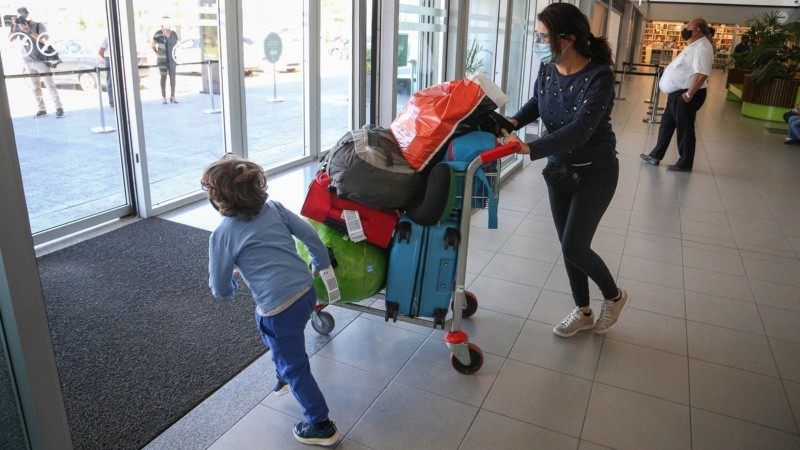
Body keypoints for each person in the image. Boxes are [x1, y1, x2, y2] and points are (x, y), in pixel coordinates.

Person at [503, 3, 630, 338]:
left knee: (575, 245)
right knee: (567, 244)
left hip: (597, 171)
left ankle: (614, 297)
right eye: (537, 34)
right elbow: (537, 103)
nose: (538, 41)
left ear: (568, 39)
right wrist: (513, 121)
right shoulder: (548, 69)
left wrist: (529, 147)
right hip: (560, 170)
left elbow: (581, 129)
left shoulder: (599, 77)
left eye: (543, 36)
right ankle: (584, 311)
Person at [202, 153, 340, 447]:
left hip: (278, 308)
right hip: (306, 292)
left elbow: (218, 284)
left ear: (218, 201)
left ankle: (320, 424)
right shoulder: (273, 208)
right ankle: (282, 369)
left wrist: (230, 290)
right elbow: (310, 237)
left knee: (295, 364)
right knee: (268, 328)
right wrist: (320, 263)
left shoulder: (222, 235)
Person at [640, 18, 713, 172]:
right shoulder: (693, 45)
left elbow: (701, 74)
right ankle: (655, 156)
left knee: (684, 128)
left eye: (689, 27)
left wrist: (688, 95)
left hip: (687, 94)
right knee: (666, 124)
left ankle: (685, 162)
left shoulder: (702, 47)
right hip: (677, 94)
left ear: (698, 29)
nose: (685, 29)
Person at [8, 6, 64, 118]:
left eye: (23, 16)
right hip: (27, 61)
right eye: (19, 17)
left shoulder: (39, 25)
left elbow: (44, 39)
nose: (22, 19)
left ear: (28, 14)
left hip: (41, 60)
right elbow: (10, 39)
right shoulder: (18, 27)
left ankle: (59, 107)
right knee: (35, 87)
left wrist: (28, 31)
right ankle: (41, 109)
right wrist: (14, 25)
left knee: (49, 85)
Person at [151, 18, 179, 104]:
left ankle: (173, 96)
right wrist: (158, 53)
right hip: (162, 60)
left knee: (173, 78)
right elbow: (152, 45)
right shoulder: (158, 33)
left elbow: (177, 45)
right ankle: (164, 97)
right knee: (163, 77)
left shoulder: (173, 33)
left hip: (172, 59)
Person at [98, 35, 113, 108]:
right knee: (110, 81)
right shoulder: (107, 37)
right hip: (109, 59)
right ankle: (112, 102)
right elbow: (100, 51)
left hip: (114, 58)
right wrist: (106, 59)